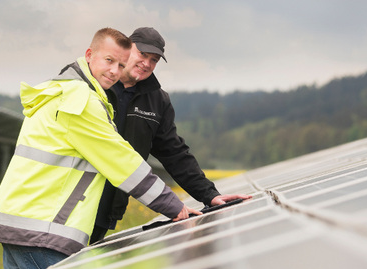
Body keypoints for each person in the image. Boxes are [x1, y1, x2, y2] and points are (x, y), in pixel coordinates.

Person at [0, 27, 201, 269]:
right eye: (109, 61)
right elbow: (122, 162)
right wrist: (175, 208)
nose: (114, 71)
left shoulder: (65, 89)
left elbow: (172, 151)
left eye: (120, 65)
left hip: (23, 220)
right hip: (43, 229)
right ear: (89, 55)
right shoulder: (81, 102)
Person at [90, 27, 251, 243]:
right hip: (71, 202)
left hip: (107, 209)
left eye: (154, 59)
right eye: (142, 54)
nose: (147, 63)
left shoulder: (157, 101)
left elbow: (174, 154)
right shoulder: (94, 86)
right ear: (127, 49)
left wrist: (210, 195)